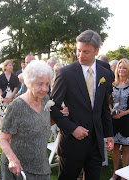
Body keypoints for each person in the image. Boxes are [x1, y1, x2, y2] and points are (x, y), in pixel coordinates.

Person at [50, 30, 114, 180]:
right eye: (78, 50)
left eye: (86, 52)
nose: (80, 55)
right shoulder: (65, 73)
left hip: (96, 143)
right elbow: (52, 106)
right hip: (72, 144)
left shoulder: (106, 74)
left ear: (97, 51)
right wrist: (72, 128)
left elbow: (104, 107)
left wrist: (109, 133)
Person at [0, 60, 54, 180]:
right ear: (29, 82)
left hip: (41, 166)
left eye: (47, 84)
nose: (45, 89)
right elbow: (2, 138)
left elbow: (43, 123)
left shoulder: (46, 100)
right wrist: (12, 159)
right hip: (19, 170)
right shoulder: (17, 106)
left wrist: (62, 116)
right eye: (40, 84)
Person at [109, 59, 129, 180]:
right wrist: (111, 110)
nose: (122, 70)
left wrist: (124, 113)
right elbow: (108, 102)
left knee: (126, 147)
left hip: (127, 119)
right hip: (114, 120)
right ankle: (115, 173)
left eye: (124, 68)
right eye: (120, 67)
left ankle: (125, 175)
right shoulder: (113, 84)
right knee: (115, 147)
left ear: (128, 70)